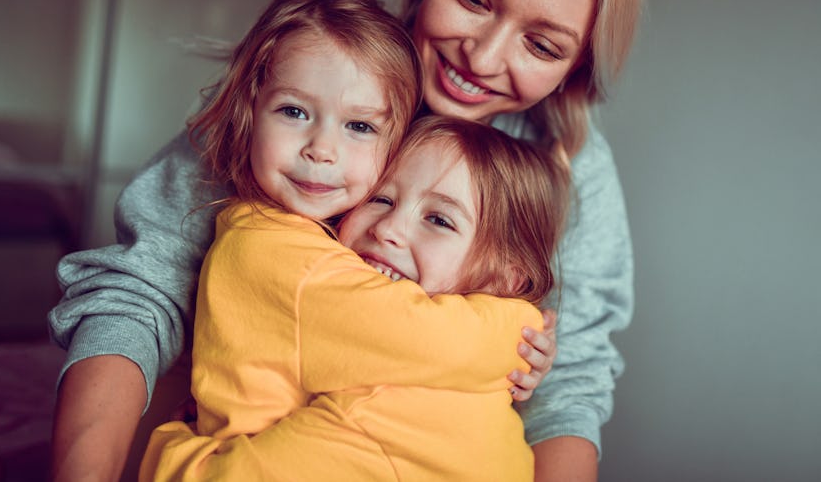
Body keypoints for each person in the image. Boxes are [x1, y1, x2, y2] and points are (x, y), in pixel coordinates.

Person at [50, 0, 645, 482]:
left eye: (541, 45)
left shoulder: (572, 165)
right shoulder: (319, 80)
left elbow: (569, 388)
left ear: (574, 68)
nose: (484, 56)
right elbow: (141, 290)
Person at [139, 112, 572, 481]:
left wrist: (173, 446)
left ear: (509, 278)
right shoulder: (485, 386)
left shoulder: (380, 409)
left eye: (439, 220)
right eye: (380, 197)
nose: (388, 229)